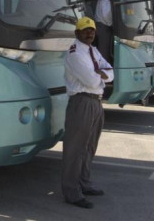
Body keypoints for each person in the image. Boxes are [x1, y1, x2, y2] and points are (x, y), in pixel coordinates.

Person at [62, 16, 113, 209]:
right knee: (75, 150)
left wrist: (101, 75)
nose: (90, 33)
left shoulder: (93, 50)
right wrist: (101, 76)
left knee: (89, 147)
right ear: (77, 33)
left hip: (96, 102)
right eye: (85, 30)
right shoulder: (74, 53)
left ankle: (84, 183)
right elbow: (92, 82)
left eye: (92, 29)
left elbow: (110, 71)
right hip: (81, 102)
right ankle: (72, 192)